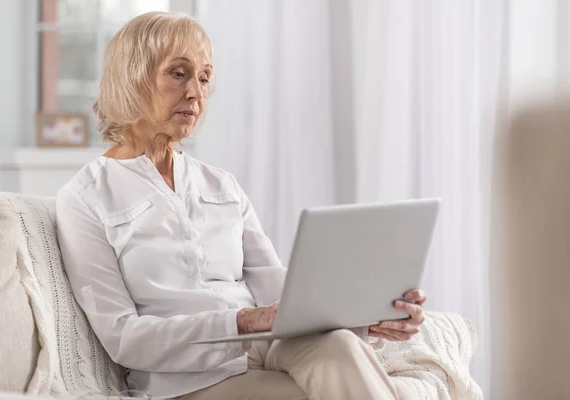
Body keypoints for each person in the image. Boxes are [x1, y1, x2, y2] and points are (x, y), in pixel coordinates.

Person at [56, 12, 426, 400]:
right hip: (189, 379)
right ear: (131, 78)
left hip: (265, 346)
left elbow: (277, 287)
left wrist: (370, 317)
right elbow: (125, 339)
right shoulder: (85, 197)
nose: (196, 93)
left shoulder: (221, 184)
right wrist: (244, 322)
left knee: (341, 346)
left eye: (204, 77)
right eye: (178, 73)